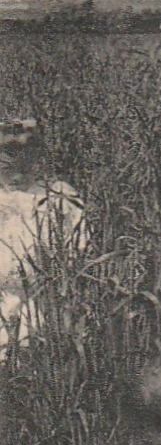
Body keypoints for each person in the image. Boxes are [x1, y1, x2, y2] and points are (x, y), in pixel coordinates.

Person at [0, 115, 86, 360]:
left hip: (44, 313)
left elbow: (78, 260)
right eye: (9, 150)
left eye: (28, 148)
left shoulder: (60, 197)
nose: (18, 159)